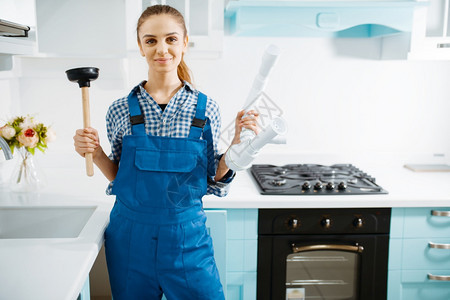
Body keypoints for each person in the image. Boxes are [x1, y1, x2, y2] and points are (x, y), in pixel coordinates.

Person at [73, 4, 259, 300]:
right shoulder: (120, 109)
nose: (162, 49)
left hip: (188, 239)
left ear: (184, 43)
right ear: (140, 46)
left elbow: (214, 176)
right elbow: (119, 175)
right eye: (151, 40)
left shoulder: (205, 109)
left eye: (171, 39)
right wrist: (95, 154)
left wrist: (238, 142)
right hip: (130, 239)